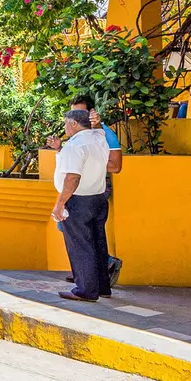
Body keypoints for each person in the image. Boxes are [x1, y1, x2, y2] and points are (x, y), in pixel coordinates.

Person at [48, 110, 113, 302]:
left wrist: (60, 203)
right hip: (98, 198)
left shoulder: (75, 145)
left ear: (75, 124)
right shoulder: (98, 138)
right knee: (98, 243)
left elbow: (73, 177)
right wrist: (97, 122)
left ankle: (86, 290)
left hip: (78, 201)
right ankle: (102, 287)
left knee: (80, 245)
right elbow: (99, 130)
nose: (65, 127)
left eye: (67, 123)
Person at [67, 96, 124, 287]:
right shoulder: (79, 135)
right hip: (77, 190)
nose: (75, 118)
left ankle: (103, 268)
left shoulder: (105, 134)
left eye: (80, 113)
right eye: (72, 113)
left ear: (91, 113)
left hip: (94, 189)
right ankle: (87, 275)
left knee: (85, 234)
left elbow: (116, 166)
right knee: (74, 232)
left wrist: (88, 163)